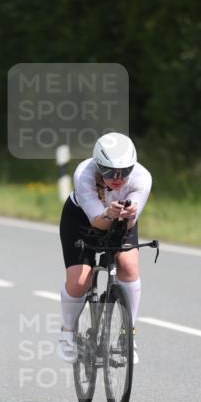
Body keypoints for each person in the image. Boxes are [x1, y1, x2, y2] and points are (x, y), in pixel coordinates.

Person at [57, 132, 152, 365]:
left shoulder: (142, 177)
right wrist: (109, 213)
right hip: (82, 220)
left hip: (120, 219)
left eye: (124, 171)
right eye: (110, 172)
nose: (118, 178)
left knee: (129, 266)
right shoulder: (84, 174)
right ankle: (67, 333)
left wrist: (128, 216)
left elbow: (130, 223)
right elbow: (97, 222)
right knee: (80, 282)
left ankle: (127, 333)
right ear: (98, 165)